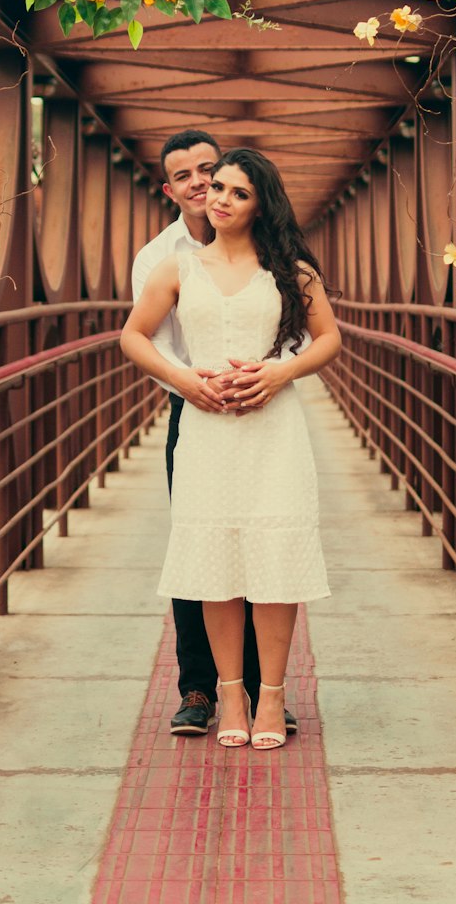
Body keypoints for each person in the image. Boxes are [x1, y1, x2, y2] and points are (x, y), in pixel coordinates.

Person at [122, 148, 340, 750]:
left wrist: (280, 373)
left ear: (260, 203)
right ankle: (230, 692)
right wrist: (186, 380)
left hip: (274, 428)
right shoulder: (175, 267)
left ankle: (273, 695)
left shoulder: (290, 270)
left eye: (237, 193)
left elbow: (328, 340)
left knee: (273, 559)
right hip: (206, 427)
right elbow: (133, 336)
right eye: (216, 187)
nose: (218, 198)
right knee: (213, 560)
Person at [132, 130, 290, 738]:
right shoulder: (160, 258)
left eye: (212, 171)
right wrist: (188, 385)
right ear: (168, 189)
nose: (203, 184)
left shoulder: (275, 256)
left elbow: (307, 328)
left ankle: (261, 691)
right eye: (189, 176)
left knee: (265, 545)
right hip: (192, 410)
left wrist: (275, 375)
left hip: (263, 411)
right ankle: (201, 688)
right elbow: (147, 338)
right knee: (201, 546)